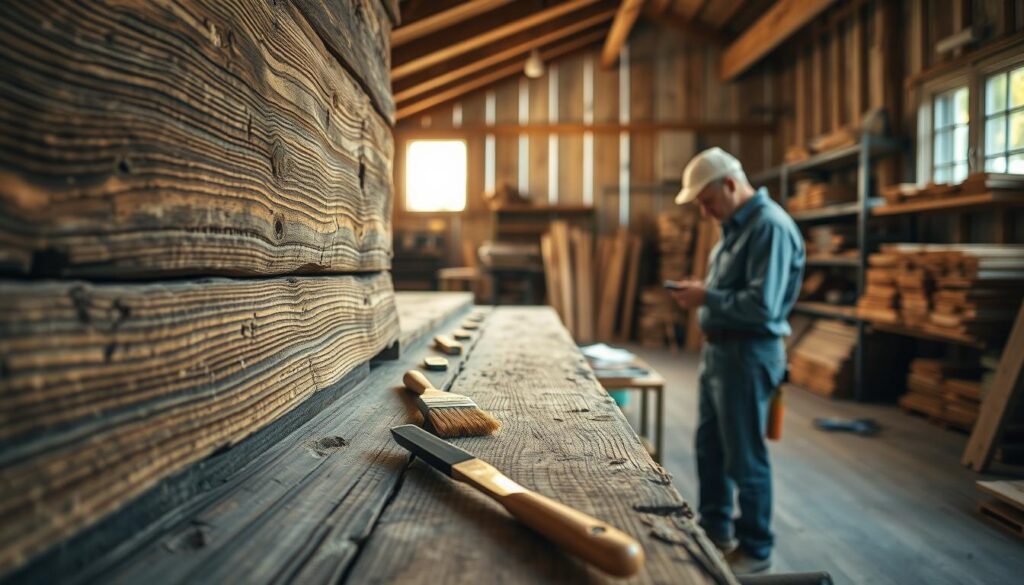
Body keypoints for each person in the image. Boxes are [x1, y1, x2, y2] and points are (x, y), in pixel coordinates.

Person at [668, 147, 804, 575]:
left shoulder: (769, 227)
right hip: (721, 352)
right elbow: (737, 290)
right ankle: (714, 533)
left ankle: (756, 548)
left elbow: (763, 306)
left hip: (748, 353)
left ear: (730, 184)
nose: (706, 212)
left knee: (744, 454)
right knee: (710, 447)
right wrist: (706, 292)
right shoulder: (736, 227)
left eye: (708, 202)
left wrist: (707, 297)